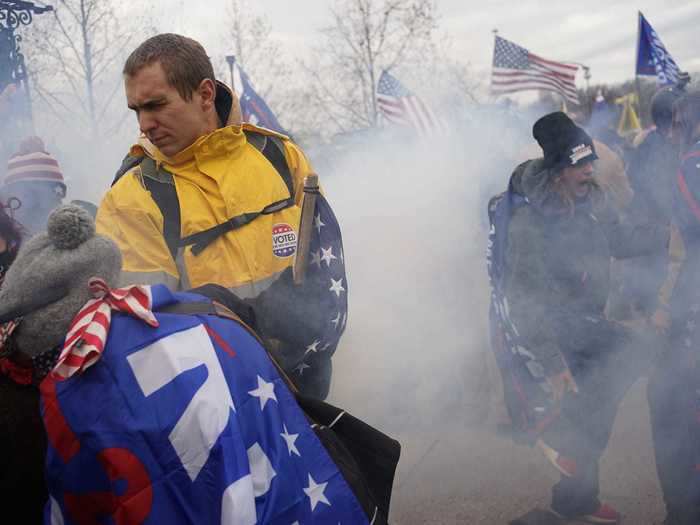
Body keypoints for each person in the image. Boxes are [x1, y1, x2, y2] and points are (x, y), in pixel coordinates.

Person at [96, 34, 340, 399]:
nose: (144, 125)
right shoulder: (131, 199)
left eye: (156, 105)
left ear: (206, 95)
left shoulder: (280, 155)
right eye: (137, 110)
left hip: (309, 380)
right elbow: (152, 330)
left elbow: (326, 264)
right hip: (223, 404)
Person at [495, 112, 667, 523]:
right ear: (557, 171)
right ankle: (561, 439)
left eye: (590, 162)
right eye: (580, 165)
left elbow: (619, 240)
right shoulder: (528, 221)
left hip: (587, 317)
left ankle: (575, 499)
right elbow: (522, 300)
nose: (590, 171)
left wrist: (666, 232)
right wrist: (553, 366)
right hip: (552, 326)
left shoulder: (591, 195)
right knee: (630, 357)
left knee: (594, 406)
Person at [647, 89, 700, 525]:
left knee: (670, 407)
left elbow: (682, 255)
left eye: (679, 124)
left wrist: (664, 308)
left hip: (691, 318)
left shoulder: (688, 167)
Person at [0, 136, 67, 236]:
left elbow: (6, 192)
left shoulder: (13, 162)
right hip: (49, 219)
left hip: (20, 219)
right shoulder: (49, 160)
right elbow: (60, 189)